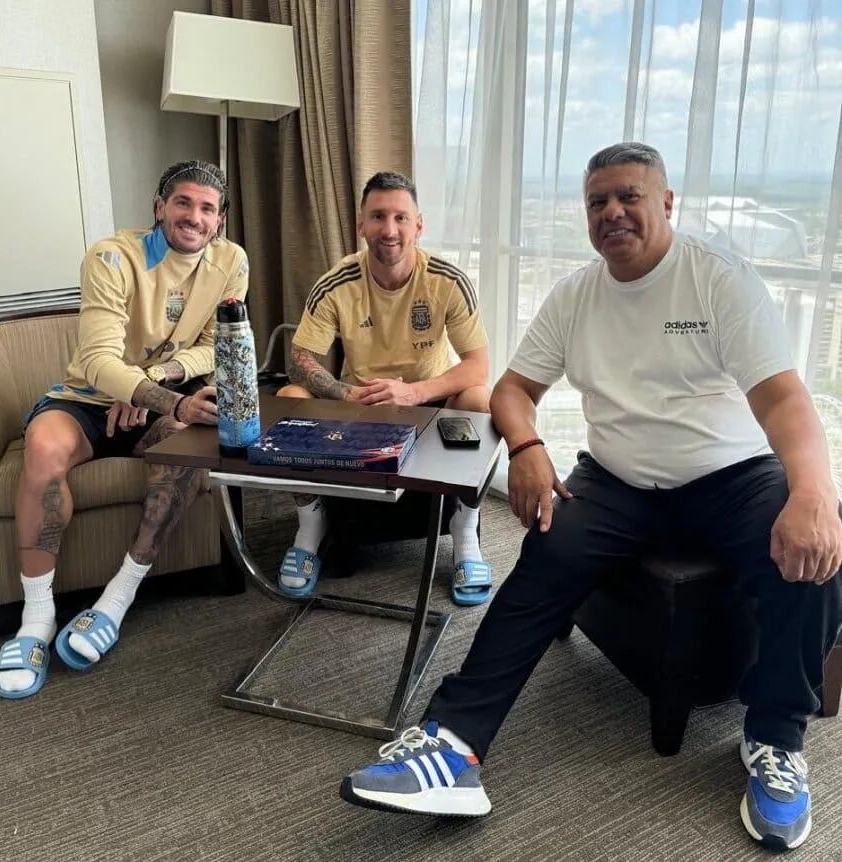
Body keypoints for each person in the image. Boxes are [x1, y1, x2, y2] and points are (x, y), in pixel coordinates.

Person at [339, 143, 842, 851]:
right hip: (617, 476)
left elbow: (785, 400)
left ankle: (775, 740)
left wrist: (815, 490)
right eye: (597, 202)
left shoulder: (718, 279)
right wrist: (528, 448)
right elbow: (513, 390)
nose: (612, 212)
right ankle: (453, 743)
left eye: (629, 196)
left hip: (730, 474)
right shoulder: (577, 294)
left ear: (666, 204)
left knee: (815, 555)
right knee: (543, 554)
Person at [0, 160, 249, 699]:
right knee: (42, 448)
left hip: (154, 401)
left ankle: (116, 599)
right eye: (182, 202)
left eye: (207, 208)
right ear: (159, 207)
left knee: (187, 455)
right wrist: (161, 398)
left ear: (220, 219)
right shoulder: (111, 256)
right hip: (86, 400)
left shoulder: (231, 262)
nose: (194, 217)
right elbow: (97, 361)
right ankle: (36, 619)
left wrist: (154, 385)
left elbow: (212, 342)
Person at [275, 170, 492, 604]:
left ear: (418, 225)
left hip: (429, 405)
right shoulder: (337, 282)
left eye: (400, 217)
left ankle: (466, 532)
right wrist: (343, 393)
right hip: (361, 407)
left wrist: (414, 393)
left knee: (482, 401)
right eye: (377, 217)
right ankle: (310, 525)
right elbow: (300, 362)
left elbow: (478, 365)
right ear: (361, 224)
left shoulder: (447, 280)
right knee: (288, 400)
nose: (389, 230)